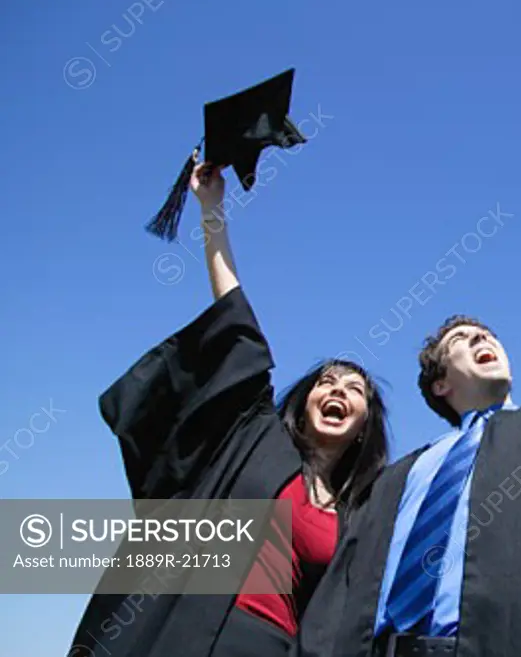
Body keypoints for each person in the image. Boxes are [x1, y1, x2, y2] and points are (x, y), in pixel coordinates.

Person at [297, 152, 521, 657]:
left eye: (487, 334)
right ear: (440, 384)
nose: (483, 338)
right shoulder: (400, 477)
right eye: (464, 340)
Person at [67, 163, 390, 657]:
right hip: (179, 620)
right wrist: (212, 211)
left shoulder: (359, 512)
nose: (337, 390)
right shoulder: (258, 438)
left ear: (365, 424)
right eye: (326, 381)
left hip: (269, 646)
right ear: (303, 402)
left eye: (354, 389)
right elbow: (236, 320)